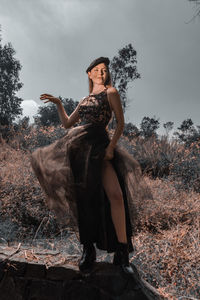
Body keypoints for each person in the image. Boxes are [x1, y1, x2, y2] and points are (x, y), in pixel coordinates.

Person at [31, 56, 151, 277]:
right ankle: (88, 250)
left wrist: (111, 147)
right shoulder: (85, 99)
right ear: (89, 73)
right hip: (79, 149)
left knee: (115, 195)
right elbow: (68, 123)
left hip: (100, 146)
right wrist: (59, 103)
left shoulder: (111, 93)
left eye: (104, 69)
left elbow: (120, 123)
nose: (101, 72)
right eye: (97, 69)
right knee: (85, 201)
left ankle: (122, 253)